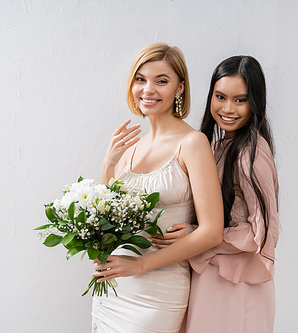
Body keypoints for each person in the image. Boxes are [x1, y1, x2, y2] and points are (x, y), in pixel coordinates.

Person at [91, 42, 224, 333]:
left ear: (180, 88)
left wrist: (140, 265)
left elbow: (212, 231)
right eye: (141, 79)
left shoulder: (193, 143)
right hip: (114, 289)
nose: (148, 89)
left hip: (158, 291)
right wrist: (107, 166)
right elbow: (107, 227)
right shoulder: (130, 149)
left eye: (161, 81)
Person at [153, 55, 279, 332]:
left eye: (240, 100)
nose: (227, 109)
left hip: (237, 282)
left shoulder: (251, 154)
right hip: (212, 275)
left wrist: (196, 234)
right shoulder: (218, 146)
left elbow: (262, 233)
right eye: (220, 97)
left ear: (255, 102)